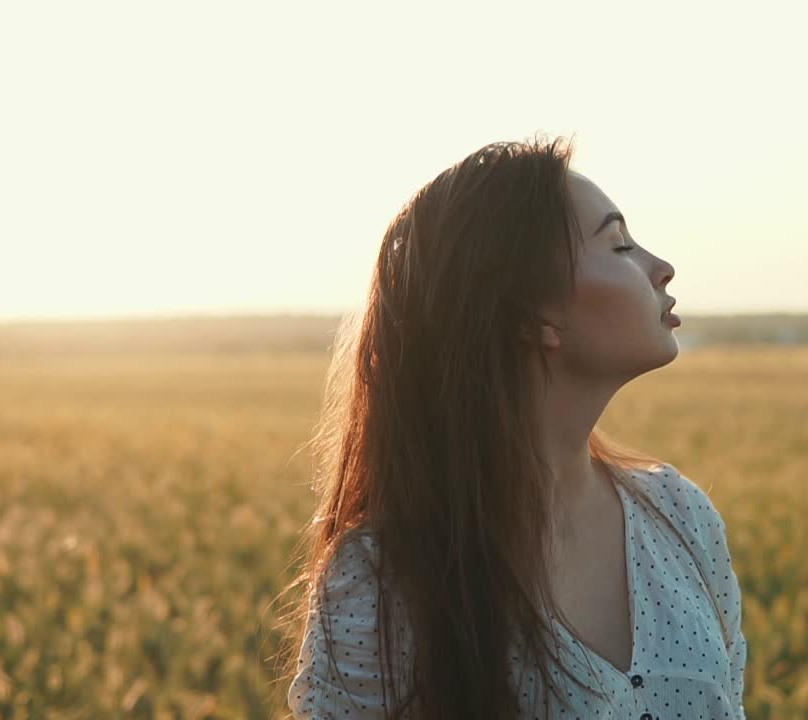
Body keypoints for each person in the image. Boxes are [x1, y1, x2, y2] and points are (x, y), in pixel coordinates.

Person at [275, 133, 746, 719]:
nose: (662, 268)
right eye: (620, 245)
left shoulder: (681, 518)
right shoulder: (381, 582)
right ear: (533, 315)